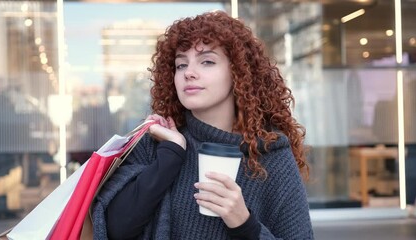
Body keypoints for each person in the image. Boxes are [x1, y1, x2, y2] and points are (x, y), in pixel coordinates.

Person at [92, 11, 313, 239]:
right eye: (180, 65)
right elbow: (113, 229)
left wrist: (244, 223)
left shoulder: (271, 156)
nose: (189, 73)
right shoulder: (157, 143)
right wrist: (171, 155)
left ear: (238, 72)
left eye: (207, 61)